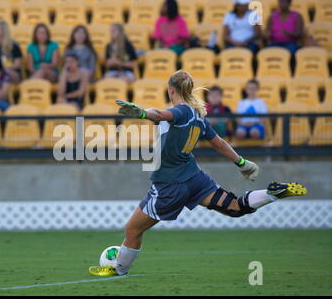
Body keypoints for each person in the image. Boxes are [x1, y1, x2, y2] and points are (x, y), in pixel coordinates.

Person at [88, 70, 307, 277]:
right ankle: (271, 194)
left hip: (169, 185)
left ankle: (120, 270)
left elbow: (160, 115)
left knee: (132, 229)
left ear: (171, 89)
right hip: (196, 180)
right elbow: (219, 143)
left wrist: (142, 112)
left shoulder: (180, 111)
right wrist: (241, 162)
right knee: (235, 208)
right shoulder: (198, 115)